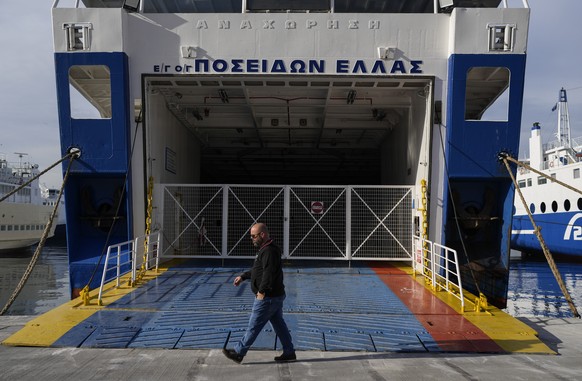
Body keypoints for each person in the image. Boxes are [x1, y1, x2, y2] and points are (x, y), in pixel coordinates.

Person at [222, 222, 296, 364]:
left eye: (254, 236)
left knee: (254, 325)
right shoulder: (266, 249)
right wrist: (243, 276)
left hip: (268, 298)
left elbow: (268, 274)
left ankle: (239, 352)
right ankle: (289, 351)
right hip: (275, 296)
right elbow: (259, 271)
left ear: (262, 234)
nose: (252, 239)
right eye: (251, 237)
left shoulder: (268, 251)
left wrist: (262, 292)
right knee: (279, 325)